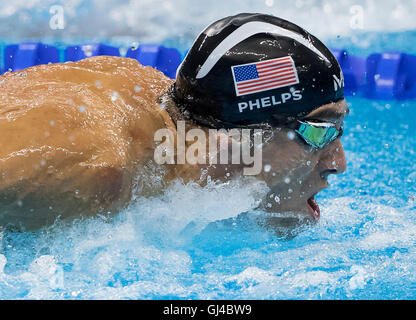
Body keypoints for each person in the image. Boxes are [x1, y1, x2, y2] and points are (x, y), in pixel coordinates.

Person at [0, 13, 348, 230]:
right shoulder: (95, 168)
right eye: (318, 133)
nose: (338, 163)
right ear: (240, 136)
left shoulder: (163, 102)